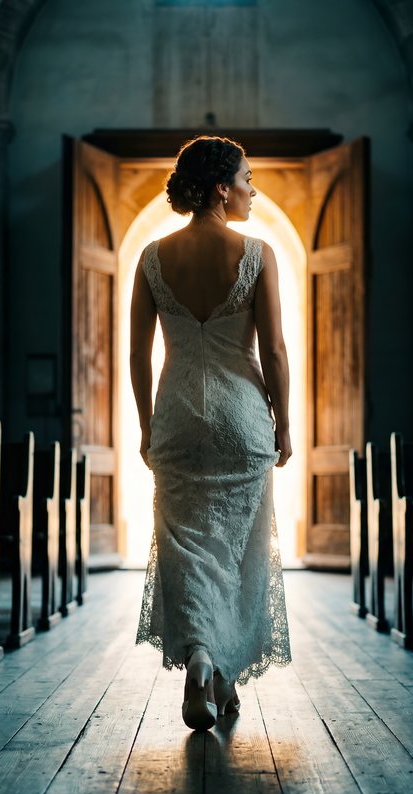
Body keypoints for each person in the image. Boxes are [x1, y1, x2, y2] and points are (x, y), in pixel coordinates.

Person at [130, 135, 292, 731]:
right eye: (248, 178)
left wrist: (148, 428)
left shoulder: (152, 257)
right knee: (237, 556)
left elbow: (136, 355)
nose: (254, 189)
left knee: (186, 548)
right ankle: (214, 672)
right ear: (222, 187)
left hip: (175, 417)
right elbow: (273, 350)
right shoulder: (256, 254)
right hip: (240, 419)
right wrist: (287, 423)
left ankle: (206, 670)